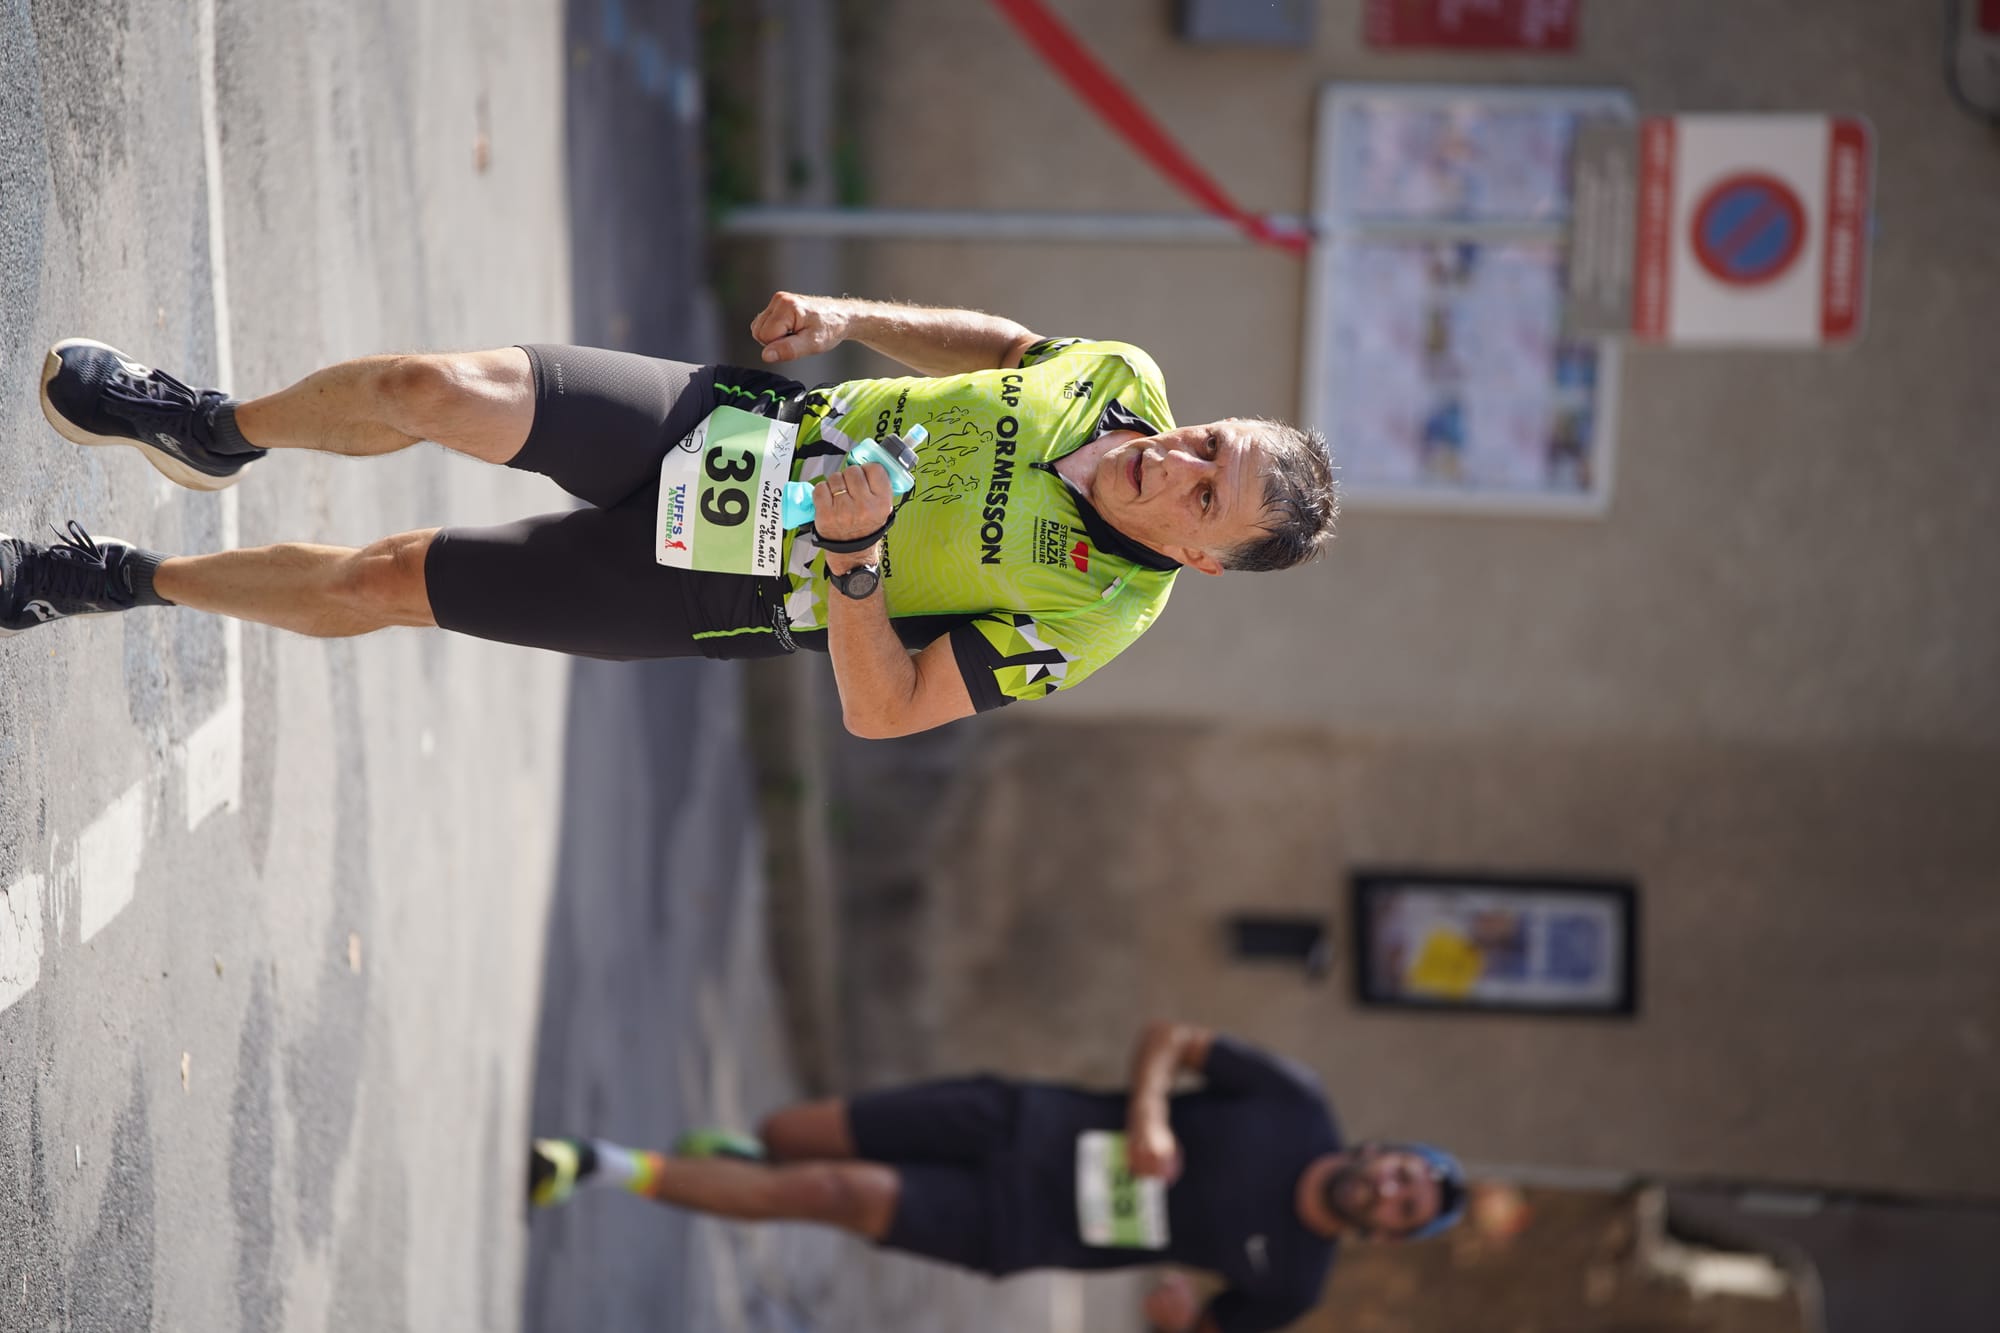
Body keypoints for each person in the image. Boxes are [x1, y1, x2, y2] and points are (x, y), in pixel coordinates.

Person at [2, 294, 1336, 736]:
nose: (1176, 458)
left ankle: (118, 578)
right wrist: (856, 320)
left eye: (1204, 493)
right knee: (431, 386)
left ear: (1207, 560)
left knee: (386, 580)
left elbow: (888, 708)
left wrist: (860, 562)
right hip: (740, 429)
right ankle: (210, 429)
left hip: (720, 592)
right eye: (1210, 439)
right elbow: (1012, 344)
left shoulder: (1093, 616)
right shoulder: (1120, 383)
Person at [528, 1022, 1465, 1333]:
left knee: (833, 1194)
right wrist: (1146, 1111)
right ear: (1386, 1152)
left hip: (1019, 1225)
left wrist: (1171, 1315)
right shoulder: (1296, 1105)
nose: (1390, 1191)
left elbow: (1201, 1328)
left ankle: (597, 1165)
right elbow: (1172, 1040)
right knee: (789, 1136)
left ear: (1384, 1233)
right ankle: (741, 1162)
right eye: (1403, 1174)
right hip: (1024, 1119)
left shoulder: (1293, 1282)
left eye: (1403, 1208)